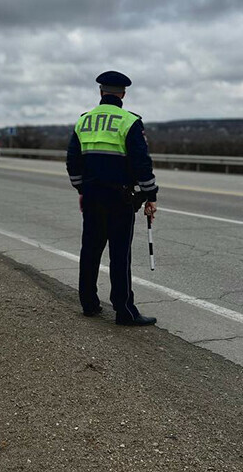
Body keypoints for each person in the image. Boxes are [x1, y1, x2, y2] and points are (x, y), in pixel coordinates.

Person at [66, 71, 159, 326]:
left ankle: (89, 304)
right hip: (120, 198)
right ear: (123, 94)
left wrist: (81, 189)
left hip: (93, 196)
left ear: (100, 92)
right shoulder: (129, 121)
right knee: (119, 255)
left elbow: (72, 161)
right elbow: (142, 162)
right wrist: (150, 194)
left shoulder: (84, 120)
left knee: (90, 251)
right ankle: (124, 311)